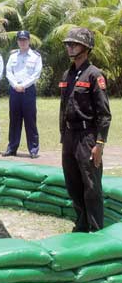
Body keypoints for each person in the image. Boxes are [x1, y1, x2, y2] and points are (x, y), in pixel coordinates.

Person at [60, 27, 111, 232]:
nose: (70, 48)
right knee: (72, 182)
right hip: (70, 136)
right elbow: (63, 107)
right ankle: (81, 223)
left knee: (91, 185)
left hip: (87, 136)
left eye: (74, 44)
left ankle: (96, 228)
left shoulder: (94, 75)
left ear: (86, 48)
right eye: (68, 44)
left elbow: (104, 114)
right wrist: (63, 135)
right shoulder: (68, 74)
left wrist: (99, 143)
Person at [4, 30, 42, 159]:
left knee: (30, 120)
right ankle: (12, 148)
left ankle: (33, 149)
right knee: (14, 120)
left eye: (25, 40)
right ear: (17, 41)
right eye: (20, 40)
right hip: (14, 90)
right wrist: (15, 85)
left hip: (28, 91)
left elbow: (36, 75)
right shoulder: (13, 56)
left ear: (29, 41)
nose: (22, 42)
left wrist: (23, 86)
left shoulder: (36, 56)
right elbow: (8, 71)